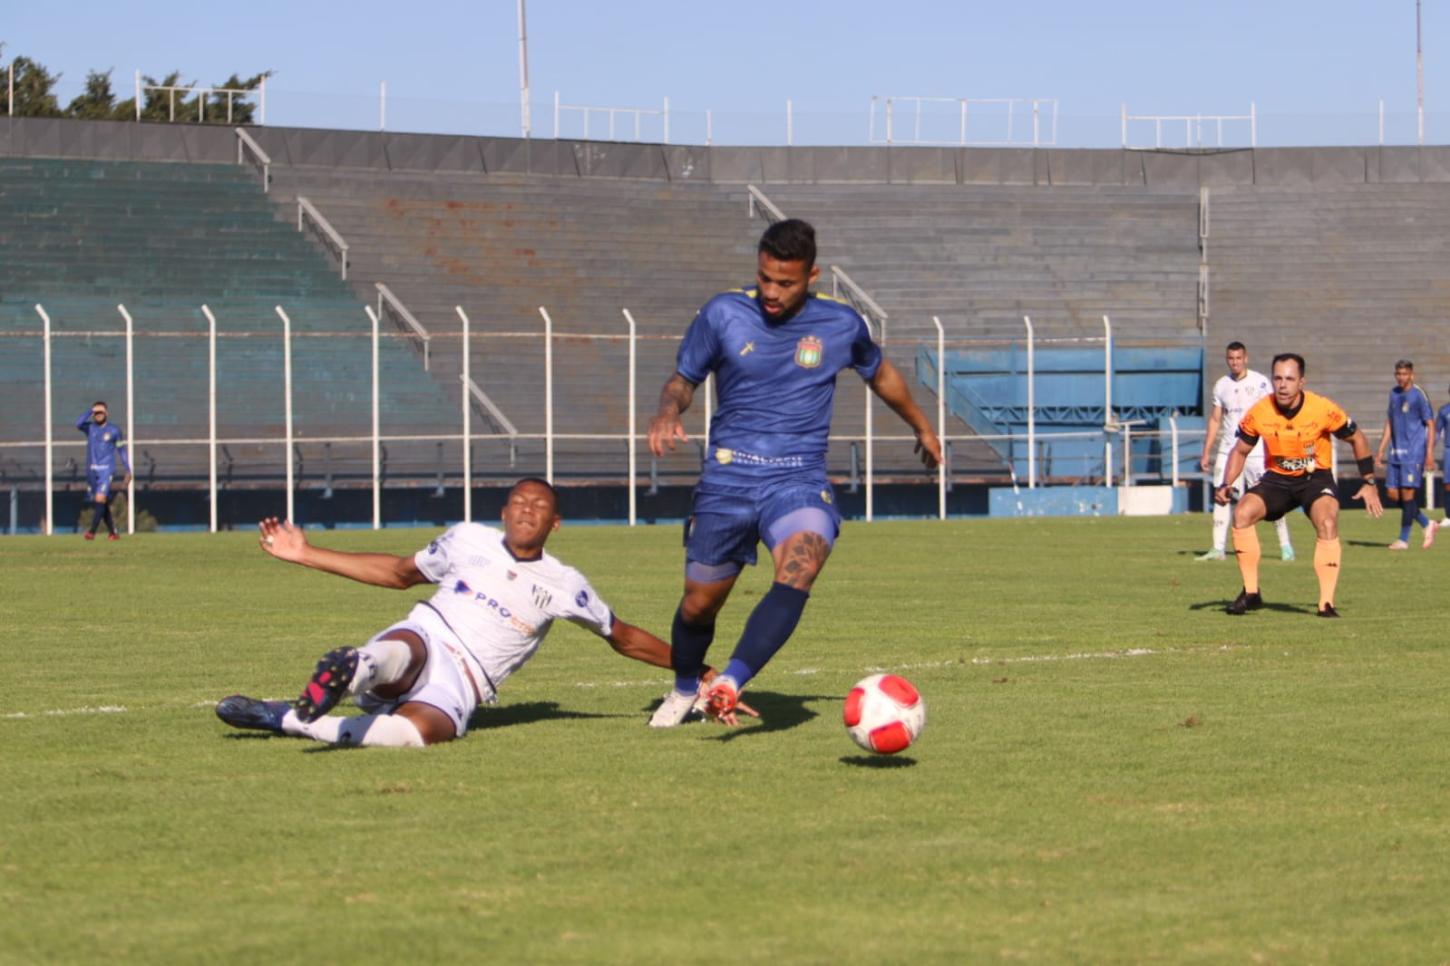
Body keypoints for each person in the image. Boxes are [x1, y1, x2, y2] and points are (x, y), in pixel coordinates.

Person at [646, 218, 942, 727]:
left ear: (812, 277)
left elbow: (880, 373)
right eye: (764, 278)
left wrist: (922, 425)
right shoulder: (723, 313)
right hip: (729, 480)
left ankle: (731, 680)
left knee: (801, 565)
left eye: (785, 283)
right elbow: (683, 379)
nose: (771, 292)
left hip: (797, 479)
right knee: (698, 606)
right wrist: (668, 410)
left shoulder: (841, 324)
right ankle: (684, 687)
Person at [215, 478, 751, 747]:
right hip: (431, 635)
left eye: (540, 507)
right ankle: (352, 667)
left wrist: (700, 671)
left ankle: (287, 718)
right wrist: (306, 553)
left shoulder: (566, 584)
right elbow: (399, 573)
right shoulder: (467, 539)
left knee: (422, 734)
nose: (527, 510)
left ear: (555, 524)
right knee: (405, 647)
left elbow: (624, 637)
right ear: (503, 512)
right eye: (519, 502)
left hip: (465, 682)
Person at [1217, 353, 1383, 618]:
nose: (1282, 385)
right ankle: (1251, 593)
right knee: (1242, 513)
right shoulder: (1260, 411)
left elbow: (1357, 438)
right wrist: (1226, 483)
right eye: (1278, 378)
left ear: (1301, 382)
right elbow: (1240, 450)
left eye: (1289, 379)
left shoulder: (1322, 409)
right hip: (1277, 479)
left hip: (1315, 479)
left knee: (1327, 522)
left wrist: (1369, 481)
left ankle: (1325, 604)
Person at [1196, 342, 1295, 562]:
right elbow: (1215, 419)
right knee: (1221, 494)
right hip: (1228, 449)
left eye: (1238, 358)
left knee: (1271, 497)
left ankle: (1285, 545)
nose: (1235, 362)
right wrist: (1206, 451)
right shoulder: (1221, 385)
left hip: (1255, 449)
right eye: (1231, 358)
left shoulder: (1260, 382)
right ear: (1227, 359)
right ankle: (1218, 548)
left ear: (1245, 358)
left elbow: (1275, 413)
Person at [1374, 359, 1437, 550]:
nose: (1401, 377)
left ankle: (1403, 540)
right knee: (1392, 494)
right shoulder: (1393, 394)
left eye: (1405, 374)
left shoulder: (1418, 395)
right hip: (1395, 453)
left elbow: (1430, 424)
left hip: (1413, 453)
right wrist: (1381, 449)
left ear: (1412, 375)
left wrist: (1429, 453)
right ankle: (1427, 523)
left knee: (1407, 496)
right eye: (1398, 374)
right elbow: (1390, 422)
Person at [76, 401, 131, 541]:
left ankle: (91, 532)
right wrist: (90, 410)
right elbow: (78, 423)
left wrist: (128, 469)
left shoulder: (114, 430)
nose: (98, 415)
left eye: (101, 412)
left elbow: (122, 450)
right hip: (92, 470)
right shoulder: (90, 428)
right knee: (101, 501)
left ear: (106, 413)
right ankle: (113, 532)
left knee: (100, 498)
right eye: (96, 413)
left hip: (106, 470)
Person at [1436, 386, 1450, 519]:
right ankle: (1448, 516)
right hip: (1449, 450)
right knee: (1448, 484)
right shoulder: (1444, 410)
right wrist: (1429, 448)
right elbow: (1437, 431)